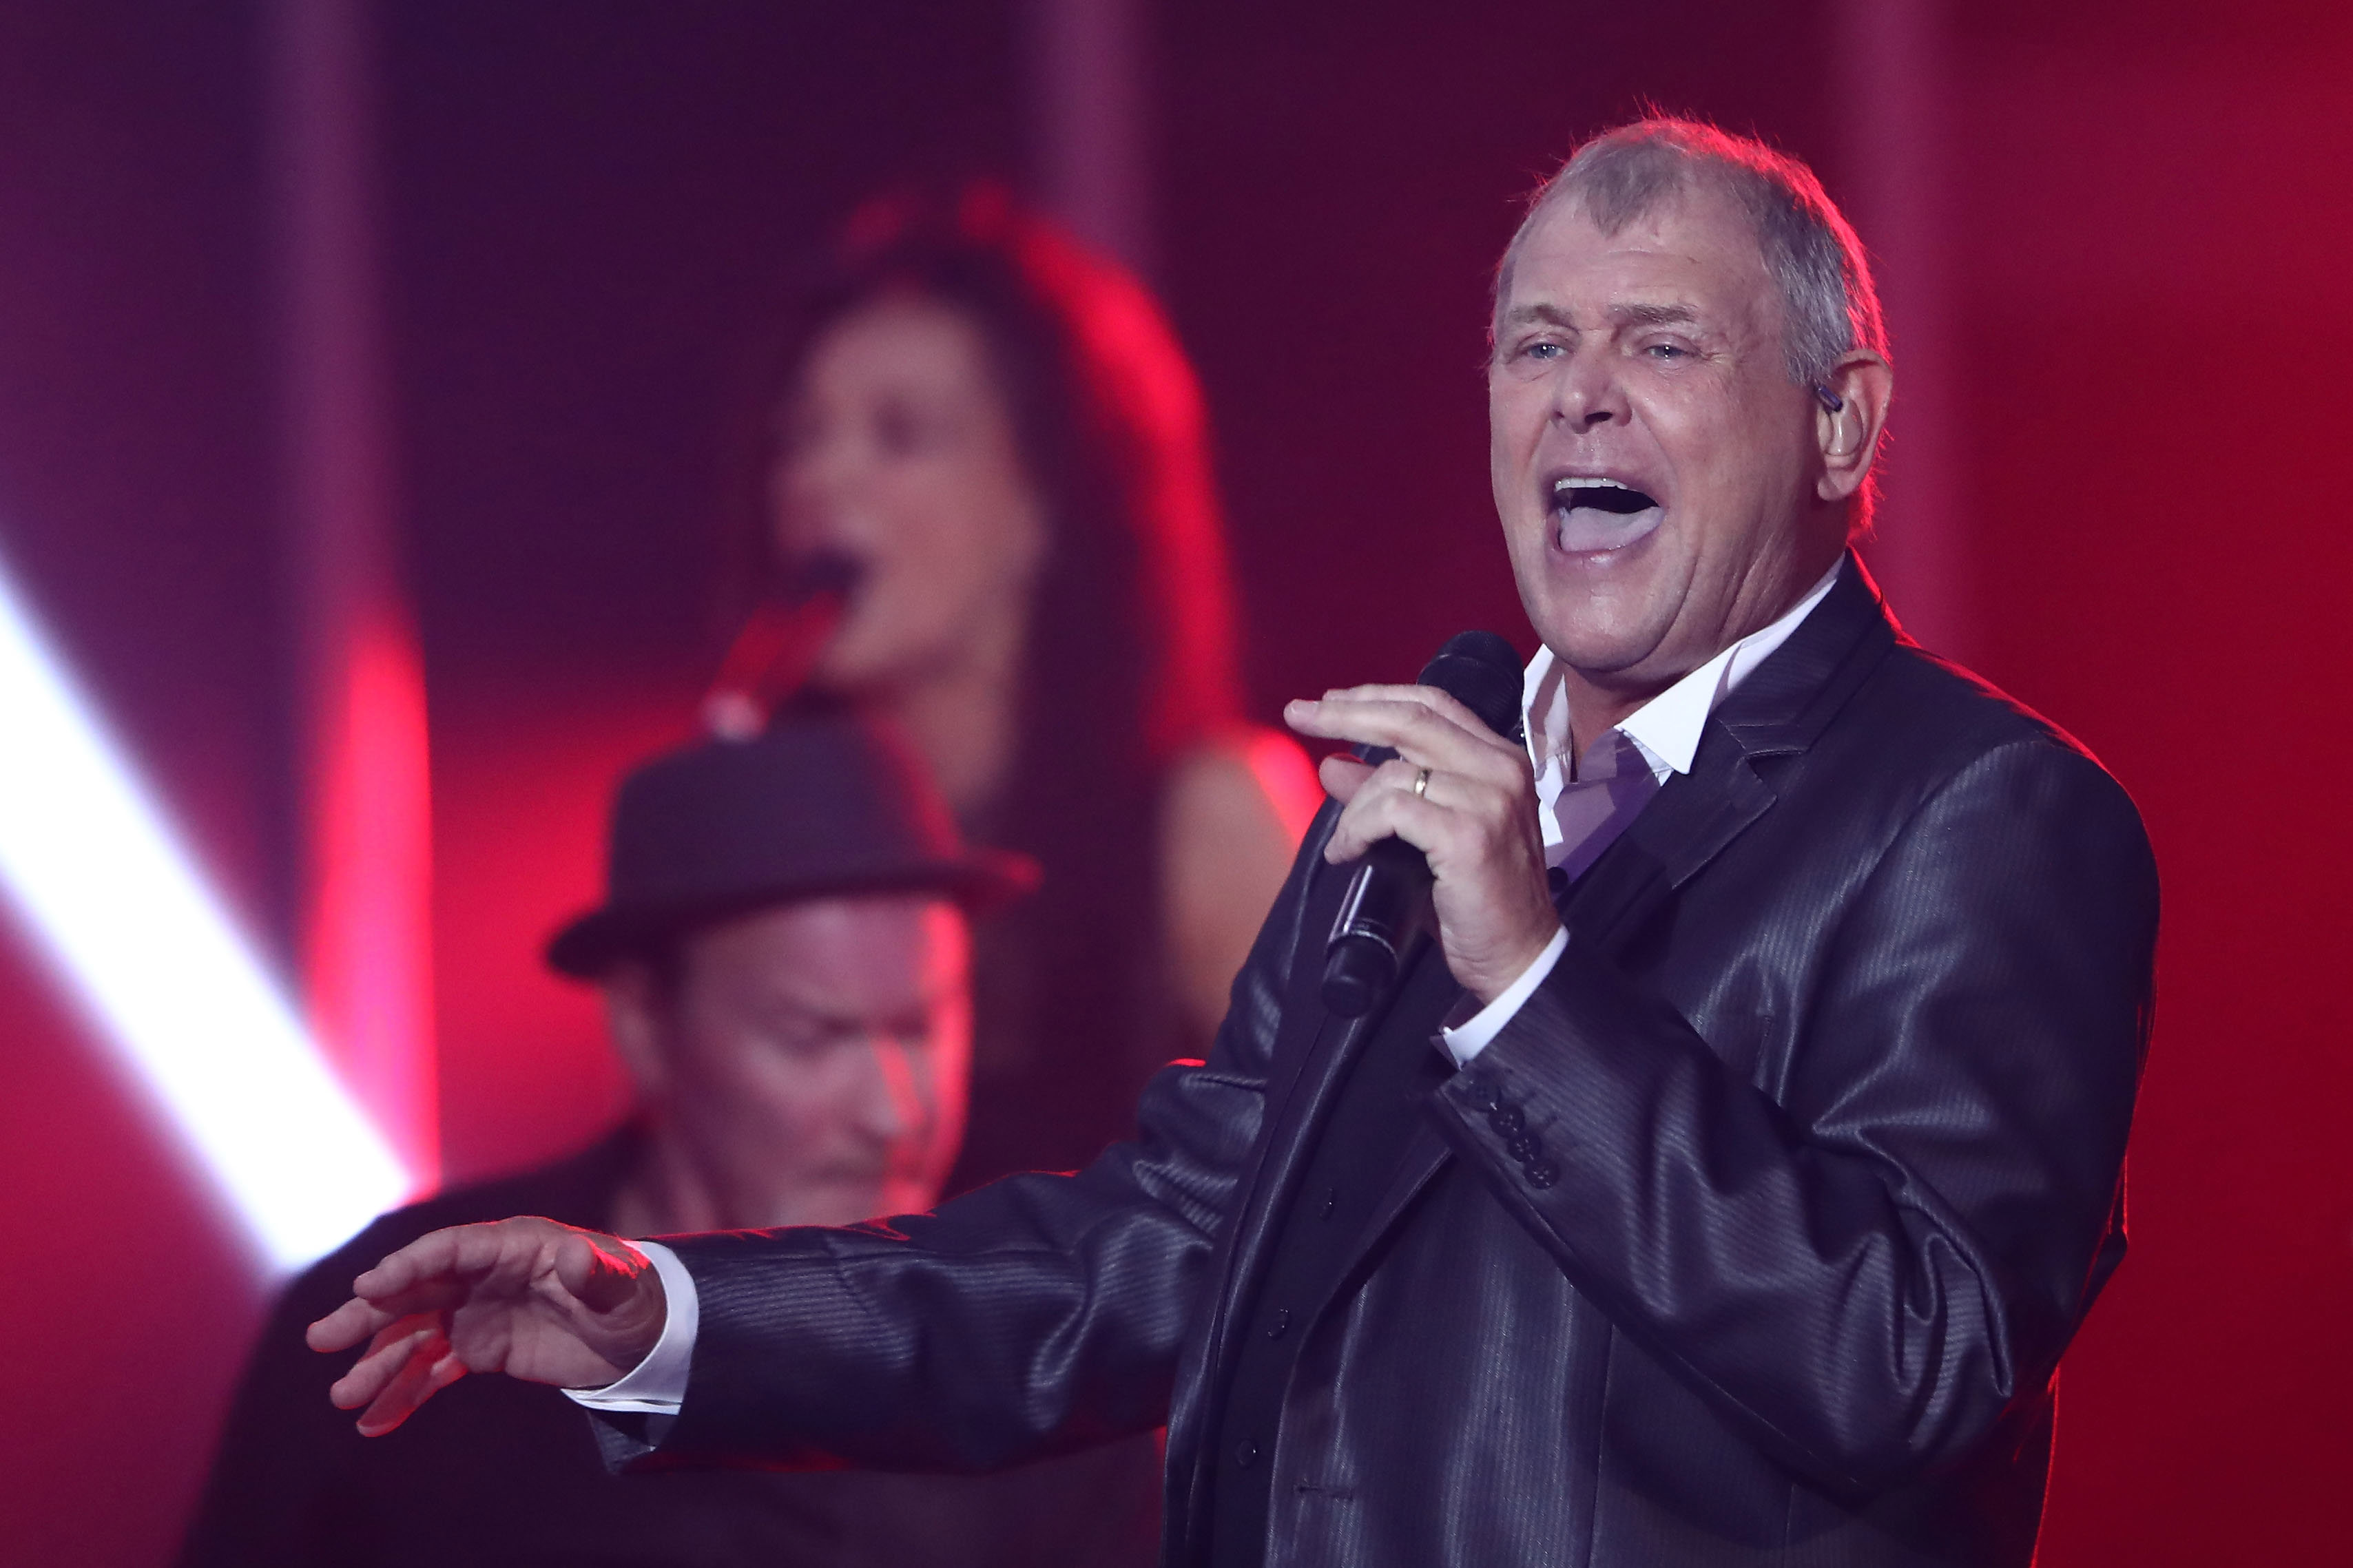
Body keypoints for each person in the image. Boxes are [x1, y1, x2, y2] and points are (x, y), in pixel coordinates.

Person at [311, 121, 2159, 1567]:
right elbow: (1156, 1244)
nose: (1580, 394)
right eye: (1536, 343)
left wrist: (1530, 986)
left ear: (1841, 419)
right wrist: (675, 1309)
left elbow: (1909, 1358)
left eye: (1661, 342)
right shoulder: (1419, 803)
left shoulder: (1984, 814)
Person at [183, 715, 1162, 1567]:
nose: (895, 1110)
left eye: (923, 1026)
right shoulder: (397, 1332)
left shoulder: (1046, 1362)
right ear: (644, 1029)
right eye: (812, 1036)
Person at [741, 186, 1318, 1191]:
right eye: (802, 436)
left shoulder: (1199, 819)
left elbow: (1363, 1168)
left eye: (900, 434)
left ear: (1048, 502)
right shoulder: (780, 833)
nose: (820, 479)